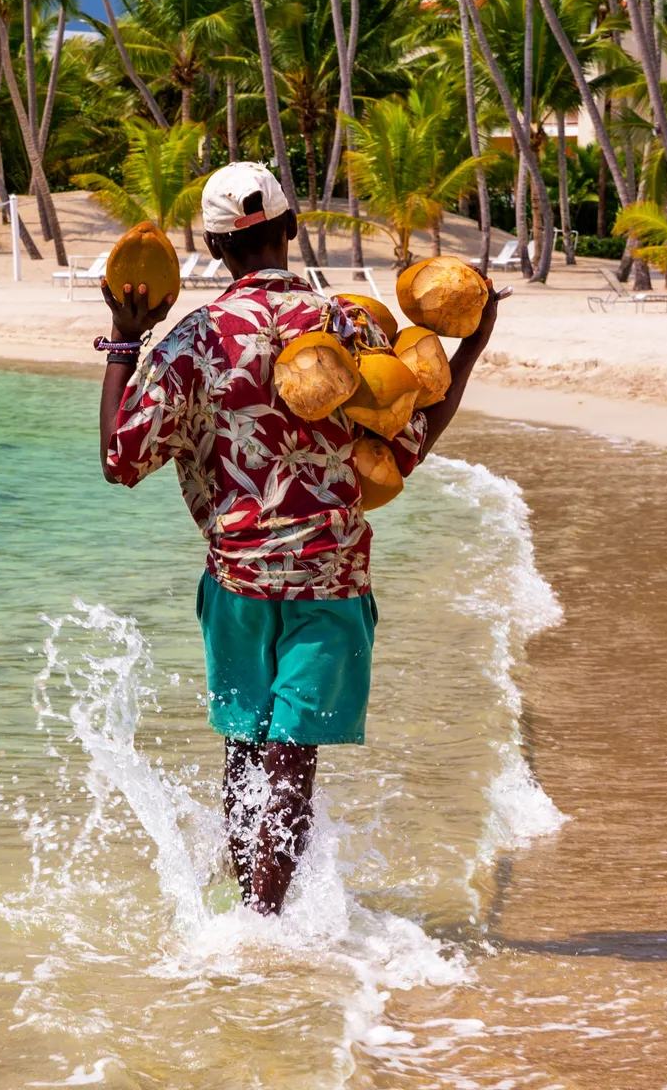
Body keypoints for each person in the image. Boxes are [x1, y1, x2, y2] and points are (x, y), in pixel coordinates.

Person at [95, 162, 505, 915]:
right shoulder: (345, 324)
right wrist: (469, 350)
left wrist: (125, 343)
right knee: (290, 761)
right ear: (290, 229)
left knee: (246, 750)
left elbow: (122, 460)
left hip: (236, 580)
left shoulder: (192, 343)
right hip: (331, 579)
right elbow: (405, 445)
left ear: (217, 250)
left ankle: (240, 920)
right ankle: (264, 929)